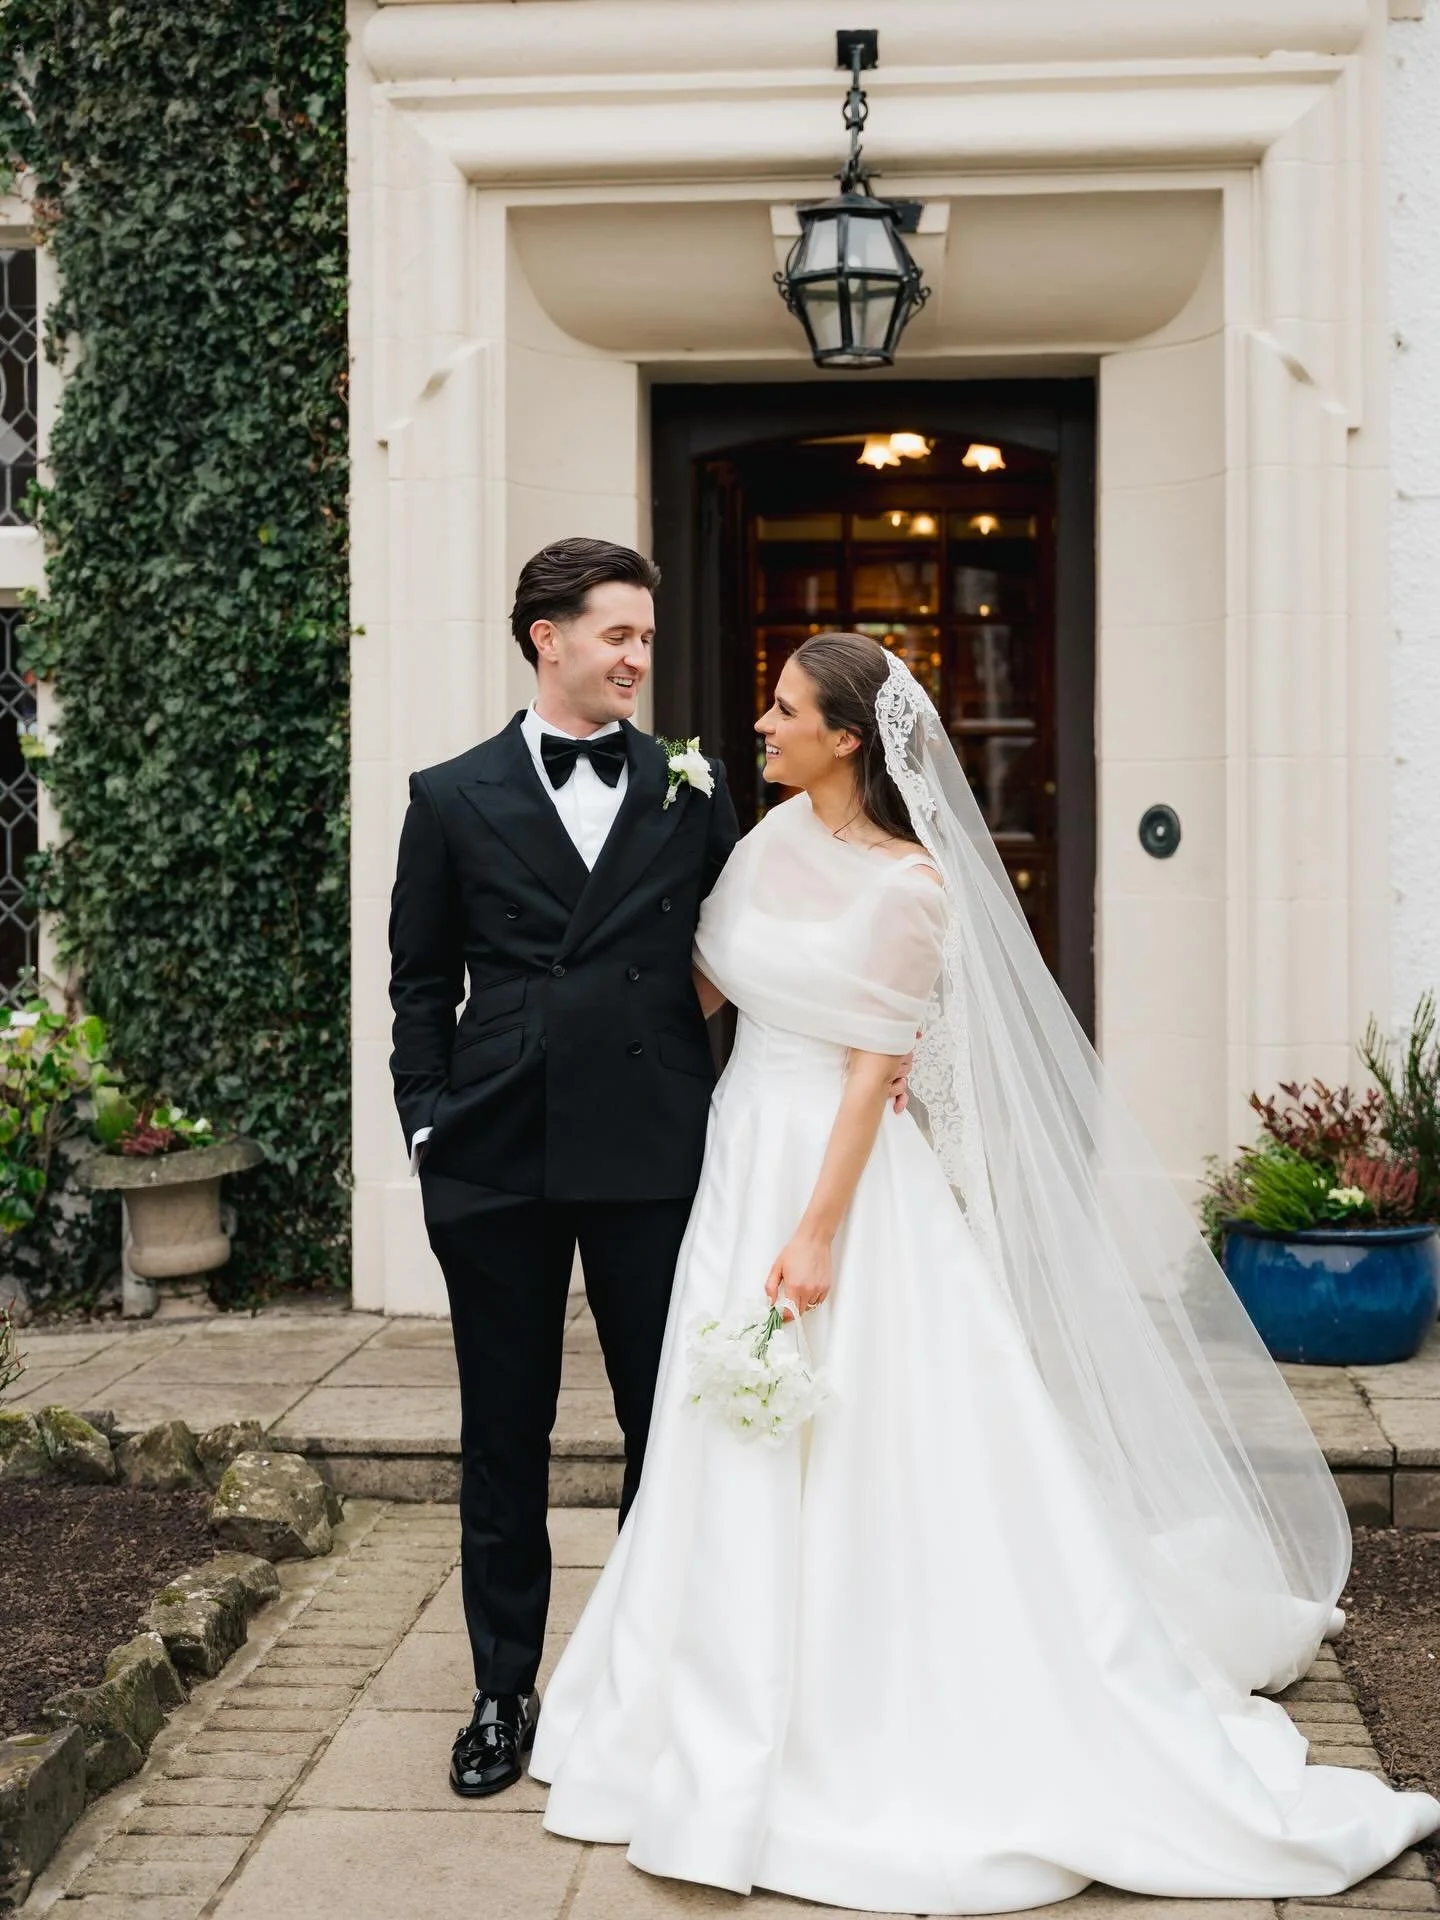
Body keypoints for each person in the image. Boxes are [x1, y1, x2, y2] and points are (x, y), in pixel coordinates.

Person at [531, 631, 1440, 1913]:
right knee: (718, 1432)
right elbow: (697, 990)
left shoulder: (911, 890)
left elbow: (868, 1070)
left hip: (834, 1186)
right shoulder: (756, 843)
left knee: (873, 1437)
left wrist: (817, 1232)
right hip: (737, 1158)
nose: (764, 724)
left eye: (787, 709)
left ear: (850, 738)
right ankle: (697, 1696)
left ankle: (873, 1704)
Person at [386, 538, 741, 1799]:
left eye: (647, 638)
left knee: (667, 1423)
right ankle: (501, 1691)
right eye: (620, 637)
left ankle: (652, 1681)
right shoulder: (450, 793)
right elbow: (420, 981)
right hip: (495, 1150)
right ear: (548, 636)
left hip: (652, 1148)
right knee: (504, 1431)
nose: (641, 659)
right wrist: (426, 1117)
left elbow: (748, 944)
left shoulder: (690, 785)